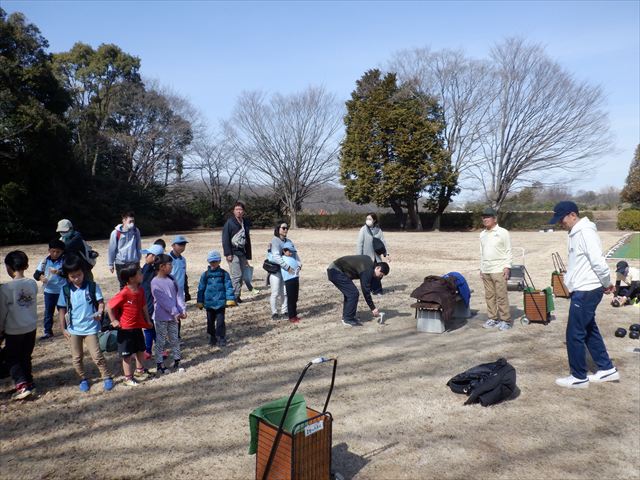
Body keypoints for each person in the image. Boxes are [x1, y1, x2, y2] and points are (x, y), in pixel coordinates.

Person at [548, 201, 619, 388]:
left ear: (572, 215)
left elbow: (597, 261)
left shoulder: (585, 232)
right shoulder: (575, 232)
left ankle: (578, 377)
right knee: (588, 329)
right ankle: (607, 369)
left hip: (587, 289)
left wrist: (607, 283)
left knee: (574, 333)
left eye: (561, 219)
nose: (560, 223)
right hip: (583, 288)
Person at [58, 255, 114, 392]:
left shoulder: (92, 286)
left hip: (90, 328)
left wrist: (99, 313)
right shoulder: (65, 290)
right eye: (73, 276)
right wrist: (63, 328)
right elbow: (61, 309)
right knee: (77, 357)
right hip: (74, 330)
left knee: (97, 355)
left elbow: (101, 303)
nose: (77, 278)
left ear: (84, 272)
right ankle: (82, 379)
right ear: (67, 277)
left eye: (79, 275)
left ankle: (107, 377)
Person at [106, 264, 153, 387]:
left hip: (137, 326)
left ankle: (140, 371)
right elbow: (110, 306)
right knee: (126, 355)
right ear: (131, 278)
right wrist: (114, 320)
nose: (142, 275)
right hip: (125, 329)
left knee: (140, 350)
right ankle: (128, 378)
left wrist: (147, 320)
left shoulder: (141, 290)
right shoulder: (124, 293)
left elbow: (144, 306)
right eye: (139, 273)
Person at [0, 251, 38, 400]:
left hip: (14, 329)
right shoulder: (31, 283)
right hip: (31, 327)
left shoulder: (6, 289)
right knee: (25, 356)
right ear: (26, 265)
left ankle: (21, 385)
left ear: (8, 268)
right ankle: (29, 381)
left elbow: (2, 312)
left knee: (12, 358)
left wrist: (0, 329)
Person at [326, 255, 389, 327]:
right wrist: (373, 308)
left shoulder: (369, 264)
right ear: (378, 268)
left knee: (350, 294)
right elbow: (365, 291)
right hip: (335, 271)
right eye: (381, 274)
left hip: (336, 270)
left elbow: (371, 282)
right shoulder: (368, 270)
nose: (380, 277)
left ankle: (348, 317)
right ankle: (348, 319)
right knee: (353, 294)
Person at [479, 207, 513, 331]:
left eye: (488, 217)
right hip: (486, 269)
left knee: (501, 296)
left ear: (495, 219)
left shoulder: (503, 232)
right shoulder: (482, 234)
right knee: (489, 296)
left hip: (499, 269)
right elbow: (482, 252)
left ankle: (506, 320)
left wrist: (507, 266)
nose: (485, 219)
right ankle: (493, 318)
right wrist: (481, 268)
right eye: (483, 217)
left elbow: (508, 250)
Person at [151, 254, 186, 373]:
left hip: (174, 317)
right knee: (160, 341)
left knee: (175, 339)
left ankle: (177, 361)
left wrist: (182, 309)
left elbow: (179, 295)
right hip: (161, 317)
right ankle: (160, 364)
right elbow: (164, 301)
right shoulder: (155, 282)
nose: (172, 266)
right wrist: (175, 312)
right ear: (162, 267)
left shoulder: (172, 278)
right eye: (170, 264)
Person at [196, 251, 236, 347]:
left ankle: (221, 337)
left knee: (220, 322)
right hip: (209, 304)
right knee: (210, 322)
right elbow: (201, 289)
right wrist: (200, 301)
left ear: (219, 261)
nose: (213, 264)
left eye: (215, 261)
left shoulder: (224, 274)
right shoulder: (205, 275)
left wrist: (230, 299)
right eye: (211, 262)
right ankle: (212, 336)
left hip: (220, 303)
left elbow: (229, 287)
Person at [267, 221, 302, 320]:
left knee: (286, 292)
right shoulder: (274, 241)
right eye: (283, 228)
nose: (286, 230)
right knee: (275, 292)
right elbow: (274, 257)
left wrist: (299, 265)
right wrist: (286, 266)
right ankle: (274, 313)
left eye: (287, 228)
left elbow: (295, 254)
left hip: (287, 272)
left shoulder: (289, 241)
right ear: (278, 229)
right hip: (277, 270)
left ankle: (285, 311)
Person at [33, 239, 66, 339]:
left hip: (62, 290)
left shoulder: (64, 261)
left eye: (58, 252)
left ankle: (68, 329)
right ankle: (48, 331)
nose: (55, 254)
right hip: (49, 291)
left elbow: (69, 273)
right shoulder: (45, 261)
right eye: (53, 251)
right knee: (48, 312)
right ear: (49, 250)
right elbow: (36, 273)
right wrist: (40, 277)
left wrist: (59, 272)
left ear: (62, 252)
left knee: (64, 311)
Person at [222, 202, 252, 303]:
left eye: (241, 209)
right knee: (236, 275)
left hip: (242, 252)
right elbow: (225, 238)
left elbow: (247, 239)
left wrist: (248, 255)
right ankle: (233, 298)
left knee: (242, 276)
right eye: (237, 209)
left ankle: (237, 295)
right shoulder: (229, 223)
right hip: (232, 252)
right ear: (233, 211)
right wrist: (228, 253)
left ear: (243, 211)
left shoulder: (245, 222)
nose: (239, 211)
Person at [140, 244, 164, 359]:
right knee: (151, 327)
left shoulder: (149, 268)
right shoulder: (153, 269)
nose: (145, 257)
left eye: (147, 254)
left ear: (154, 257)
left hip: (148, 302)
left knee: (148, 326)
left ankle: (148, 350)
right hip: (148, 301)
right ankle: (160, 349)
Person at [356, 213, 389, 295]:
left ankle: (377, 290)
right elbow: (360, 244)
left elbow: (383, 242)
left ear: (374, 220)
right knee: (368, 274)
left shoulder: (379, 230)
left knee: (378, 275)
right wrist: (359, 257)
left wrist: (386, 254)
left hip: (376, 257)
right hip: (366, 257)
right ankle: (369, 290)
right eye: (367, 219)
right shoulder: (363, 229)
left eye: (370, 219)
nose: (368, 220)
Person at [107, 211, 142, 289]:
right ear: (124, 220)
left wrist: (138, 259)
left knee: (137, 284)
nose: (132, 223)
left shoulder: (136, 231)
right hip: (121, 263)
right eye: (130, 221)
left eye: (133, 221)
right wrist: (110, 264)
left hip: (134, 262)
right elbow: (112, 249)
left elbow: (138, 246)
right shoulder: (115, 233)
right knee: (123, 286)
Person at [281, 242, 301, 324]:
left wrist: (299, 267)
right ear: (284, 251)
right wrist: (269, 250)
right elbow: (272, 257)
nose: (291, 253)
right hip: (288, 280)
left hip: (296, 278)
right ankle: (291, 316)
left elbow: (299, 263)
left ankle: (295, 314)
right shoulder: (282, 259)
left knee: (295, 297)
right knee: (291, 298)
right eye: (289, 251)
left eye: (292, 251)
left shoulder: (293, 257)